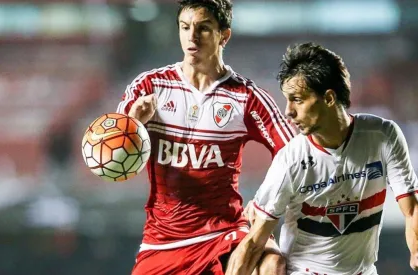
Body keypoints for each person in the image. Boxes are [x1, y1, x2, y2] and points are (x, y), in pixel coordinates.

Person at [226, 42, 418, 275]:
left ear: (330, 98)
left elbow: (412, 209)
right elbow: (253, 244)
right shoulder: (290, 161)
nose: (288, 111)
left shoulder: (383, 136)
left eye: (297, 99)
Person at [116, 0, 295, 274]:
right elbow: (116, 167)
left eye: (204, 28)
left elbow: (295, 154)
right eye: (185, 27)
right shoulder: (148, 87)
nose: (192, 36)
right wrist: (135, 124)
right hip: (163, 240)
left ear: (224, 35)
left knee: (272, 263)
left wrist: (263, 202)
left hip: (223, 231)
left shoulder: (247, 98)